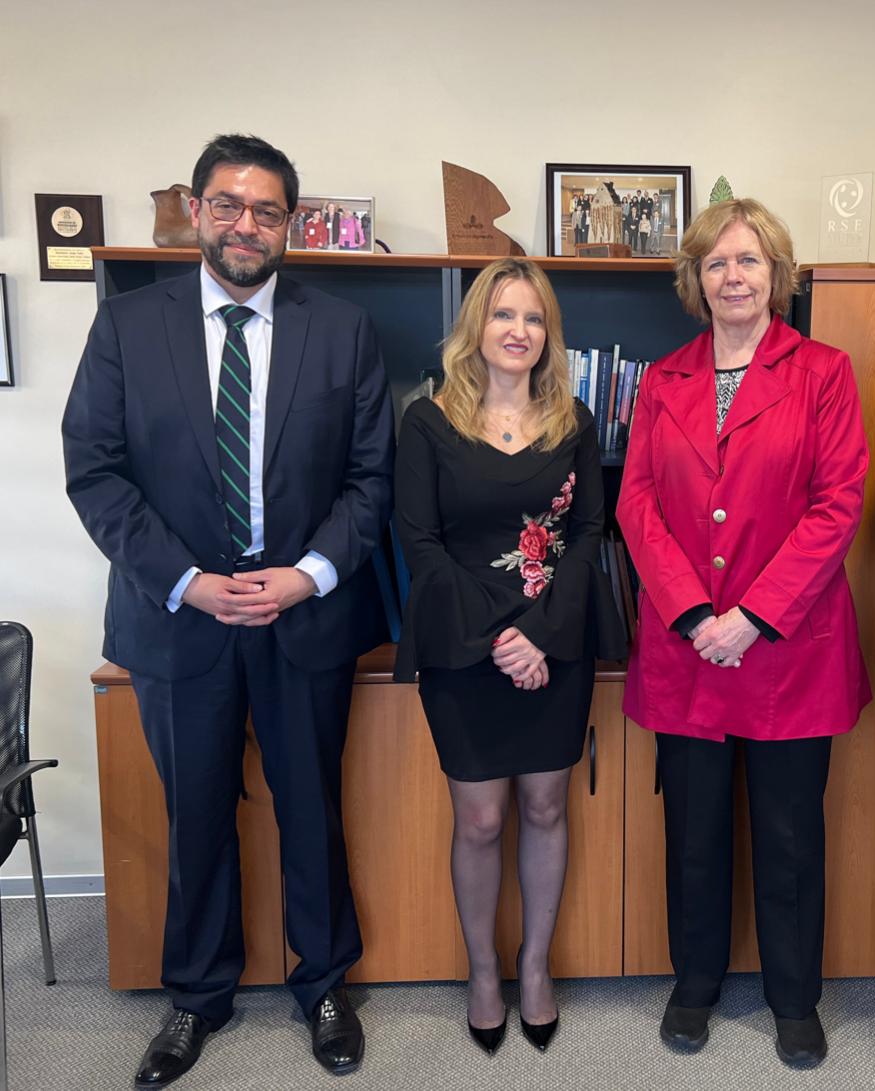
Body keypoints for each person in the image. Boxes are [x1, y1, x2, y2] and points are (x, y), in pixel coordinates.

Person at [62, 133, 394, 1087]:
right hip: (178, 617)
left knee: (311, 810)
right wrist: (189, 581)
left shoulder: (343, 329)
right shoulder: (128, 325)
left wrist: (307, 575)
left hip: (305, 615)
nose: (246, 225)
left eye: (267, 210)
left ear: (290, 223)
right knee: (196, 812)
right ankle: (196, 996)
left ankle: (324, 981)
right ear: (199, 211)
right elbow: (95, 470)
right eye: (228, 205)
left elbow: (372, 479)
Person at [617, 198, 871, 1069]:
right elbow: (637, 502)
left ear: (778, 276)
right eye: (718, 262)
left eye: (750, 261)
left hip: (788, 649)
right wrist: (695, 613)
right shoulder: (662, 379)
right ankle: (694, 986)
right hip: (689, 649)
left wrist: (753, 617)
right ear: (696, 279)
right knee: (692, 832)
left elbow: (839, 505)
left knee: (791, 833)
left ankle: (795, 999)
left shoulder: (825, 372)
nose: (734, 276)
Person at [394, 257, 625, 1057]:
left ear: (547, 333)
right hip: (463, 646)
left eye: (532, 318)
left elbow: (591, 532)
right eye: (502, 316)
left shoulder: (575, 420)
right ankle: (482, 969)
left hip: (556, 643)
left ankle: (534, 967)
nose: (518, 331)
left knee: (546, 808)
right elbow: (421, 543)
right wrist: (500, 636)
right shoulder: (428, 422)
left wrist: (543, 633)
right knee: (482, 817)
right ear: (476, 329)